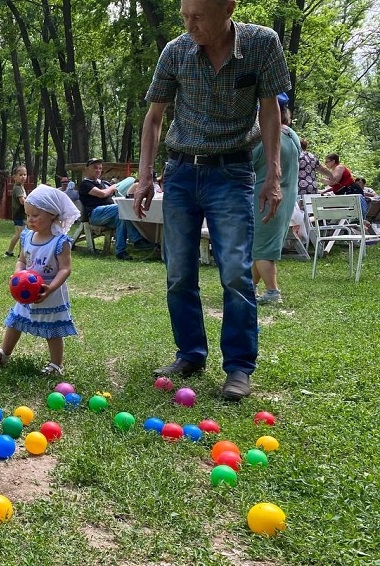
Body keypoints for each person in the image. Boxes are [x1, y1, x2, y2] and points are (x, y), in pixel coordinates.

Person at [133, 0, 291, 401]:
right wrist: (145, 175)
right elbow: (154, 118)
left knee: (236, 272)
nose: (190, 25)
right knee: (179, 271)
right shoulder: (176, 50)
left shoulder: (262, 44)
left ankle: (238, 368)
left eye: (198, 16)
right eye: (185, 15)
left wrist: (273, 175)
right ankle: (190, 353)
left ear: (228, 8)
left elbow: (270, 111)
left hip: (233, 172)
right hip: (182, 172)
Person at [0, 186, 80, 376]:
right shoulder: (27, 236)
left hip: (48, 292)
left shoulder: (60, 242)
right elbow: (21, 260)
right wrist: (17, 275)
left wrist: (50, 288)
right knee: (15, 322)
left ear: (52, 214)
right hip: (26, 290)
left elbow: (65, 269)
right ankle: (4, 353)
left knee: (52, 329)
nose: (30, 219)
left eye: (35, 215)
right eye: (28, 215)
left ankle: (56, 365)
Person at [252, 94, 301, 305]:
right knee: (261, 246)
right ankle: (249, 287)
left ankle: (272, 292)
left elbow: (247, 165)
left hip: (263, 198)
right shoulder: (292, 136)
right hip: (287, 198)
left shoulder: (265, 138)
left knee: (261, 248)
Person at [78, 158, 154, 260]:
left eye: (100, 168)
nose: (98, 170)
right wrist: (112, 188)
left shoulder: (101, 183)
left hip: (109, 214)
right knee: (122, 209)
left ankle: (121, 252)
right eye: (95, 168)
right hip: (95, 214)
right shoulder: (85, 184)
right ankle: (137, 240)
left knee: (122, 216)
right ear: (87, 169)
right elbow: (102, 194)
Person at [4, 165, 28, 257]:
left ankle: (9, 252)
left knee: (18, 235)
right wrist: (31, 204)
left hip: (18, 215)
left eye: (25, 175)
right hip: (20, 215)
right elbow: (22, 201)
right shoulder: (18, 188)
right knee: (22, 235)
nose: (23, 177)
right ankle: (21, 255)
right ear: (15, 177)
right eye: (21, 175)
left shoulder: (20, 186)